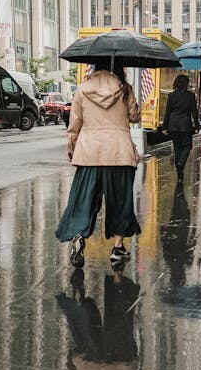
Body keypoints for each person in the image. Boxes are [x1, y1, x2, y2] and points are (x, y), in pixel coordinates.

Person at [55, 63, 141, 268]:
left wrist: (72, 147)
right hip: (119, 152)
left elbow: (74, 123)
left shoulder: (83, 89)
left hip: (89, 153)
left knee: (83, 199)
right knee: (120, 201)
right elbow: (135, 117)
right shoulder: (124, 88)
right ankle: (118, 248)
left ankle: (78, 234)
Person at [160, 73, 199, 183]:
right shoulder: (190, 96)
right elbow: (194, 112)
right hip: (185, 125)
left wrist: (164, 126)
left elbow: (167, 112)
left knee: (177, 147)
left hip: (173, 125)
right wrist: (196, 126)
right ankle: (181, 163)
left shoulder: (171, 96)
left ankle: (180, 175)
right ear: (186, 84)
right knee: (187, 146)